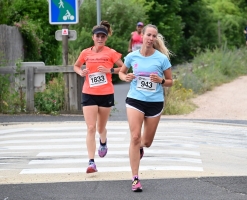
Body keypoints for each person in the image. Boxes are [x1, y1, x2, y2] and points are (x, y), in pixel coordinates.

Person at [119, 24, 173, 192]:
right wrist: (125, 77)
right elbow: (121, 72)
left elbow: (170, 81)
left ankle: (140, 148)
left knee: (146, 142)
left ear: (156, 39)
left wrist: (161, 81)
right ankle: (135, 178)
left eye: (154, 36)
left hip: (155, 103)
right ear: (141, 36)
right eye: (148, 35)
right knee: (135, 137)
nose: (151, 38)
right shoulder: (132, 56)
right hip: (135, 99)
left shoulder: (162, 59)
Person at [73, 20, 123, 173]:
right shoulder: (85, 52)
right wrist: (80, 72)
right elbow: (75, 65)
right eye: (98, 36)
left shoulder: (111, 53)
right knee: (90, 127)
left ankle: (103, 141)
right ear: (92, 37)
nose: (100, 38)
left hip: (105, 93)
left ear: (106, 38)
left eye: (103, 36)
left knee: (101, 127)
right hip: (89, 92)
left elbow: (123, 68)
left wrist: (109, 70)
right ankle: (91, 162)